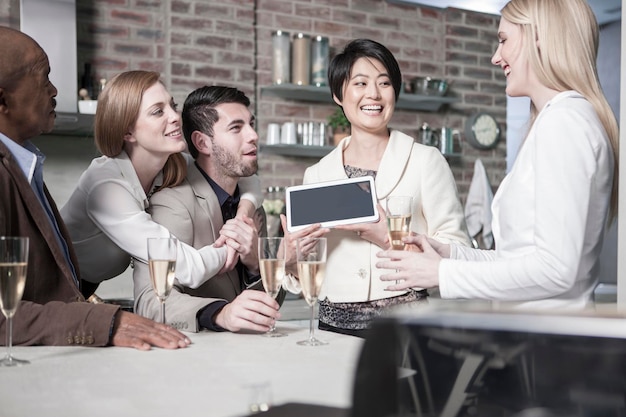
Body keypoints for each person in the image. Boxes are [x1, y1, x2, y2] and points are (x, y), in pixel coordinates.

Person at [377, 0, 619, 310]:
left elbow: (556, 269)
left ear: (539, 37)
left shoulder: (564, 122)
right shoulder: (557, 120)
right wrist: (449, 254)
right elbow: (519, 261)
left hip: (546, 347)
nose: (495, 57)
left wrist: (441, 274)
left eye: (503, 40)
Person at [0, 26, 189, 349]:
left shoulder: (25, 164)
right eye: (43, 78)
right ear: (3, 100)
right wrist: (104, 321)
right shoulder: (105, 180)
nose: (55, 89)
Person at [286, 39, 471, 337]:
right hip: (331, 331)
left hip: (407, 329)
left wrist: (388, 237)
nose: (373, 94)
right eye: (360, 83)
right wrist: (291, 258)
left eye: (384, 83)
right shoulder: (317, 175)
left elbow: (460, 252)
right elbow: (309, 266)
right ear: (338, 94)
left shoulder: (425, 161)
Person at [61, 71, 263, 295]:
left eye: (172, 105)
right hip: (53, 283)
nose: (175, 116)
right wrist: (236, 245)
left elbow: (249, 180)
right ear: (127, 131)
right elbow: (186, 267)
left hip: (87, 286)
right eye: (158, 112)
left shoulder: (172, 164)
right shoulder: (107, 187)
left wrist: (240, 220)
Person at [133, 85, 289, 333]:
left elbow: (270, 304)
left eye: (251, 124)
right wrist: (219, 313)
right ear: (202, 142)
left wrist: (254, 265)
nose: (253, 135)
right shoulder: (172, 203)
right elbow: (150, 301)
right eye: (236, 128)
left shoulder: (250, 204)